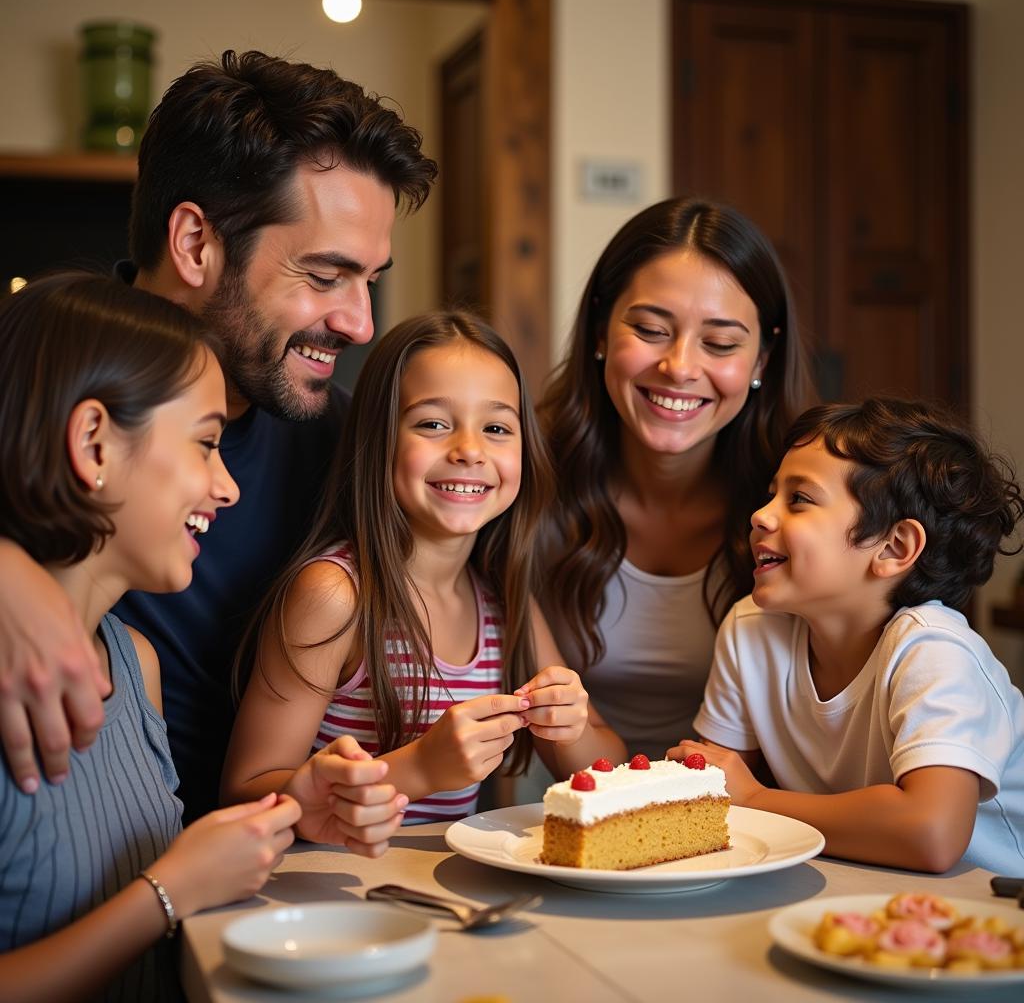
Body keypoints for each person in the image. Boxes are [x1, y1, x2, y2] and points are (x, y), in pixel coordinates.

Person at [0, 50, 438, 827]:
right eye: (325, 274)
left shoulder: (338, 441)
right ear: (197, 243)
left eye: (369, 280)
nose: (360, 323)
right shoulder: (33, 379)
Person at [0, 273, 303, 1002]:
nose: (227, 487)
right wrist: (166, 893)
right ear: (94, 443)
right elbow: (163, 888)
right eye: (205, 444)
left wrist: (292, 809)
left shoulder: (137, 665)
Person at [222, 311, 625, 826]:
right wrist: (418, 769)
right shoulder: (336, 594)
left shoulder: (503, 600)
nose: (469, 451)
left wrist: (572, 730)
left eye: (497, 427)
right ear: (381, 439)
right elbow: (243, 795)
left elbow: (608, 770)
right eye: (433, 423)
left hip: (439, 897)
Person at [670, 398, 1024, 875]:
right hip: (861, 886)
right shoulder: (750, 628)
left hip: (990, 905)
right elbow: (707, 787)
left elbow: (932, 833)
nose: (760, 515)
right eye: (771, 493)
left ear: (894, 547)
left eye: (799, 499)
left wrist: (755, 797)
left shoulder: (934, 650)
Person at [538, 197, 813, 762]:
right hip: (587, 803)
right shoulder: (524, 480)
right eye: (651, 329)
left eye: (721, 343)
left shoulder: (808, 506)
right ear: (599, 329)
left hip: (761, 818)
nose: (681, 367)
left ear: (762, 359)